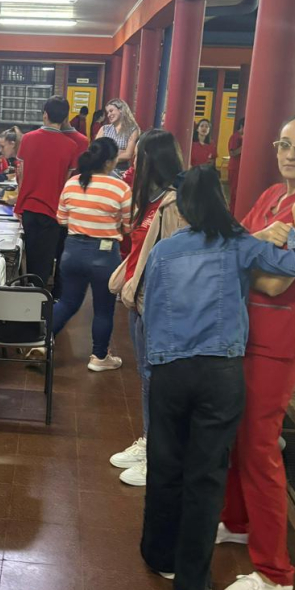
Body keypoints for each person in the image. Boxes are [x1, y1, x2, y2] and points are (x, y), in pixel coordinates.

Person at [140, 166, 295, 590]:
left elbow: (151, 311)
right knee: (206, 476)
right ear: (220, 202)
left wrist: (156, 364)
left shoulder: (165, 251)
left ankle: (160, 556)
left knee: (165, 466)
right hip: (220, 374)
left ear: (184, 209)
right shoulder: (238, 244)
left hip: (169, 370)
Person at [218, 113, 295, 590]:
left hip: (279, 340)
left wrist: (247, 255)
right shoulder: (272, 194)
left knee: (259, 446)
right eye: (284, 144)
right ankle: (237, 521)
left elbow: (275, 282)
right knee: (236, 435)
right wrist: (250, 250)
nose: (291, 153)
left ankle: (275, 571)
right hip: (247, 332)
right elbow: (233, 245)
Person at [108, 129, 185, 486]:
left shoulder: (175, 204)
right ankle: (149, 441)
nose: (133, 163)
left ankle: (160, 456)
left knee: (158, 382)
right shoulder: (151, 199)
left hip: (159, 307)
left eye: (138, 157)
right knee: (147, 379)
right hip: (138, 300)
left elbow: (177, 262)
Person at [53, 138, 132, 371]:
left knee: (67, 302)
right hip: (105, 255)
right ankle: (99, 357)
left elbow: (61, 219)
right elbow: (128, 226)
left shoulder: (72, 182)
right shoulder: (120, 188)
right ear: (109, 162)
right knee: (104, 309)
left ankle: (40, 343)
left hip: (72, 251)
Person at [14, 96, 80, 285]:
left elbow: (20, 174)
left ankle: (28, 291)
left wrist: (19, 203)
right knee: (45, 260)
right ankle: (40, 295)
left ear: (45, 114)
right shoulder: (72, 146)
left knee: (28, 255)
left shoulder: (27, 139)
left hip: (28, 207)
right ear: (65, 118)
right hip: (53, 210)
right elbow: (66, 182)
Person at [96, 99, 140, 175]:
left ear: (121, 110)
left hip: (121, 171)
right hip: (103, 170)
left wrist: (106, 155)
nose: (108, 115)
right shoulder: (104, 129)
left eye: (111, 111)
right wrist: (120, 152)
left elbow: (128, 154)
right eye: (107, 112)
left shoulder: (132, 130)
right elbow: (96, 150)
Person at [227, 117, 245, 214]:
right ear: (242, 126)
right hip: (235, 168)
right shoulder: (235, 137)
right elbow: (232, 153)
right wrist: (245, 145)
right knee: (234, 193)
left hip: (242, 169)